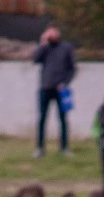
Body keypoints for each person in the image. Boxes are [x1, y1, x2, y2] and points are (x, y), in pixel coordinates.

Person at [33, 24, 75, 157]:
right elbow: (35, 59)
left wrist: (65, 83)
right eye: (49, 32)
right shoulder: (45, 48)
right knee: (42, 119)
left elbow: (72, 68)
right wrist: (43, 43)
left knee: (63, 119)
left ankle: (64, 148)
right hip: (45, 88)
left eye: (54, 32)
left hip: (61, 89)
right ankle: (40, 148)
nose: (52, 35)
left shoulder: (66, 48)